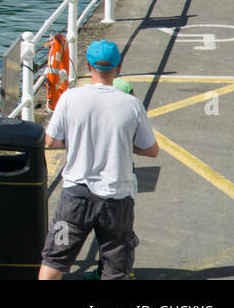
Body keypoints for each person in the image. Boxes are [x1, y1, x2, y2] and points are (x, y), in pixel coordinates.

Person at [39, 40, 159, 280]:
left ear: (88, 65)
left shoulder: (70, 98)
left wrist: (75, 141)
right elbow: (151, 150)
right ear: (119, 66)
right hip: (116, 197)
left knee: (55, 260)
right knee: (115, 269)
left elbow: (50, 141)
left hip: (75, 195)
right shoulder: (132, 105)